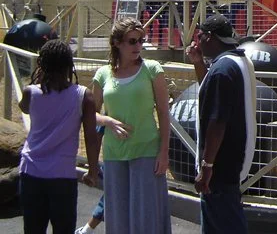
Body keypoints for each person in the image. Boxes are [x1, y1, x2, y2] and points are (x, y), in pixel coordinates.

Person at [93, 17, 171, 234]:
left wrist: (164, 152)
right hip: (114, 153)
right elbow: (90, 113)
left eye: (141, 41)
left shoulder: (152, 69)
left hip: (146, 150)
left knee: (145, 217)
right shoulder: (102, 74)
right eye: (132, 41)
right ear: (117, 43)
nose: (138, 46)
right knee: (117, 216)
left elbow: (164, 113)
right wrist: (107, 121)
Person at [18, 38, 100, 234]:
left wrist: (39, 79)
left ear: (42, 64)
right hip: (62, 175)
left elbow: (24, 108)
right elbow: (90, 136)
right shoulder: (84, 96)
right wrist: (93, 169)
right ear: (69, 65)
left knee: (33, 229)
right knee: (64, 229)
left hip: (31, 172)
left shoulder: (30, 92)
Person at [187, 14, 258, 234]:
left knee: (224, 224)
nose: (196, 41)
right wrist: (199, 63)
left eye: (199, 36)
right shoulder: (237, 61)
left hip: (220, 166)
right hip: (233, 160)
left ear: (209, 37)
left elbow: (217, 121)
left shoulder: (221, 71)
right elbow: (210, 90)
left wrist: (207, 167)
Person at [75, 126, 105, 234]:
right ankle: (87, 230)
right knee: (114, 194)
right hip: (116, 157)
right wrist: (93, 166)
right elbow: (99, 129)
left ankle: (87, 230)